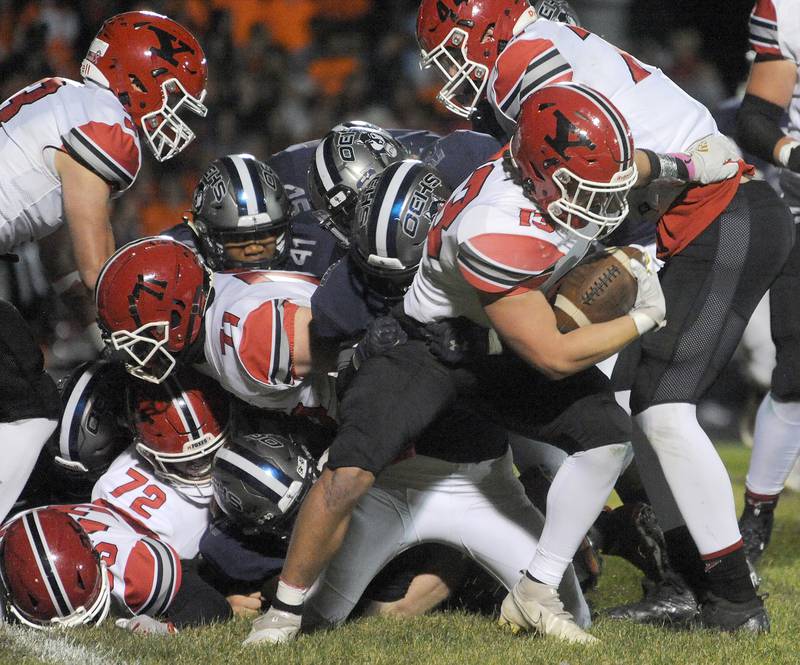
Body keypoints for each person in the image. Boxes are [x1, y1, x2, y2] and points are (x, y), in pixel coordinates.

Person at [419, 0, 794, 631]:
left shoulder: (521, 65)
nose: (449, 66)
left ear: (485, 24)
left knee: (662, 410)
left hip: (720, 211)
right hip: (691, 216)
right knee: (633, 409)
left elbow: (605, 161)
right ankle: (687, 580)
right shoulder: (550, 39)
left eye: (455, 44)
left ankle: (735, 600)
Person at [244, 83, 665, 646]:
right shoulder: (483, 234)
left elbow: (599, 172)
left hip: (483, 402)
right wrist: (643, 317)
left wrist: (678, 163)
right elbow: (551, 353)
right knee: (348, 480)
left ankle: (537, 586)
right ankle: (283, 612)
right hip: (429, 368)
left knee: (607, 434)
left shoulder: (483, 160)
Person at [0, 9, 208, 522]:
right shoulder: (108, 125)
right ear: (140, 77)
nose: (174, 118)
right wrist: (131, 332)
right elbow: (99, 264)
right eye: (174, 99)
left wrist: (82, 303)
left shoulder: (64, 96)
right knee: (31, 411)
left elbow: (56, 248)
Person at [735, 0, 800, 566]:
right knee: (796, 374)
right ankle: (756, 516)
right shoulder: (787, 11)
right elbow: (756, 119)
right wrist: (791, 152)